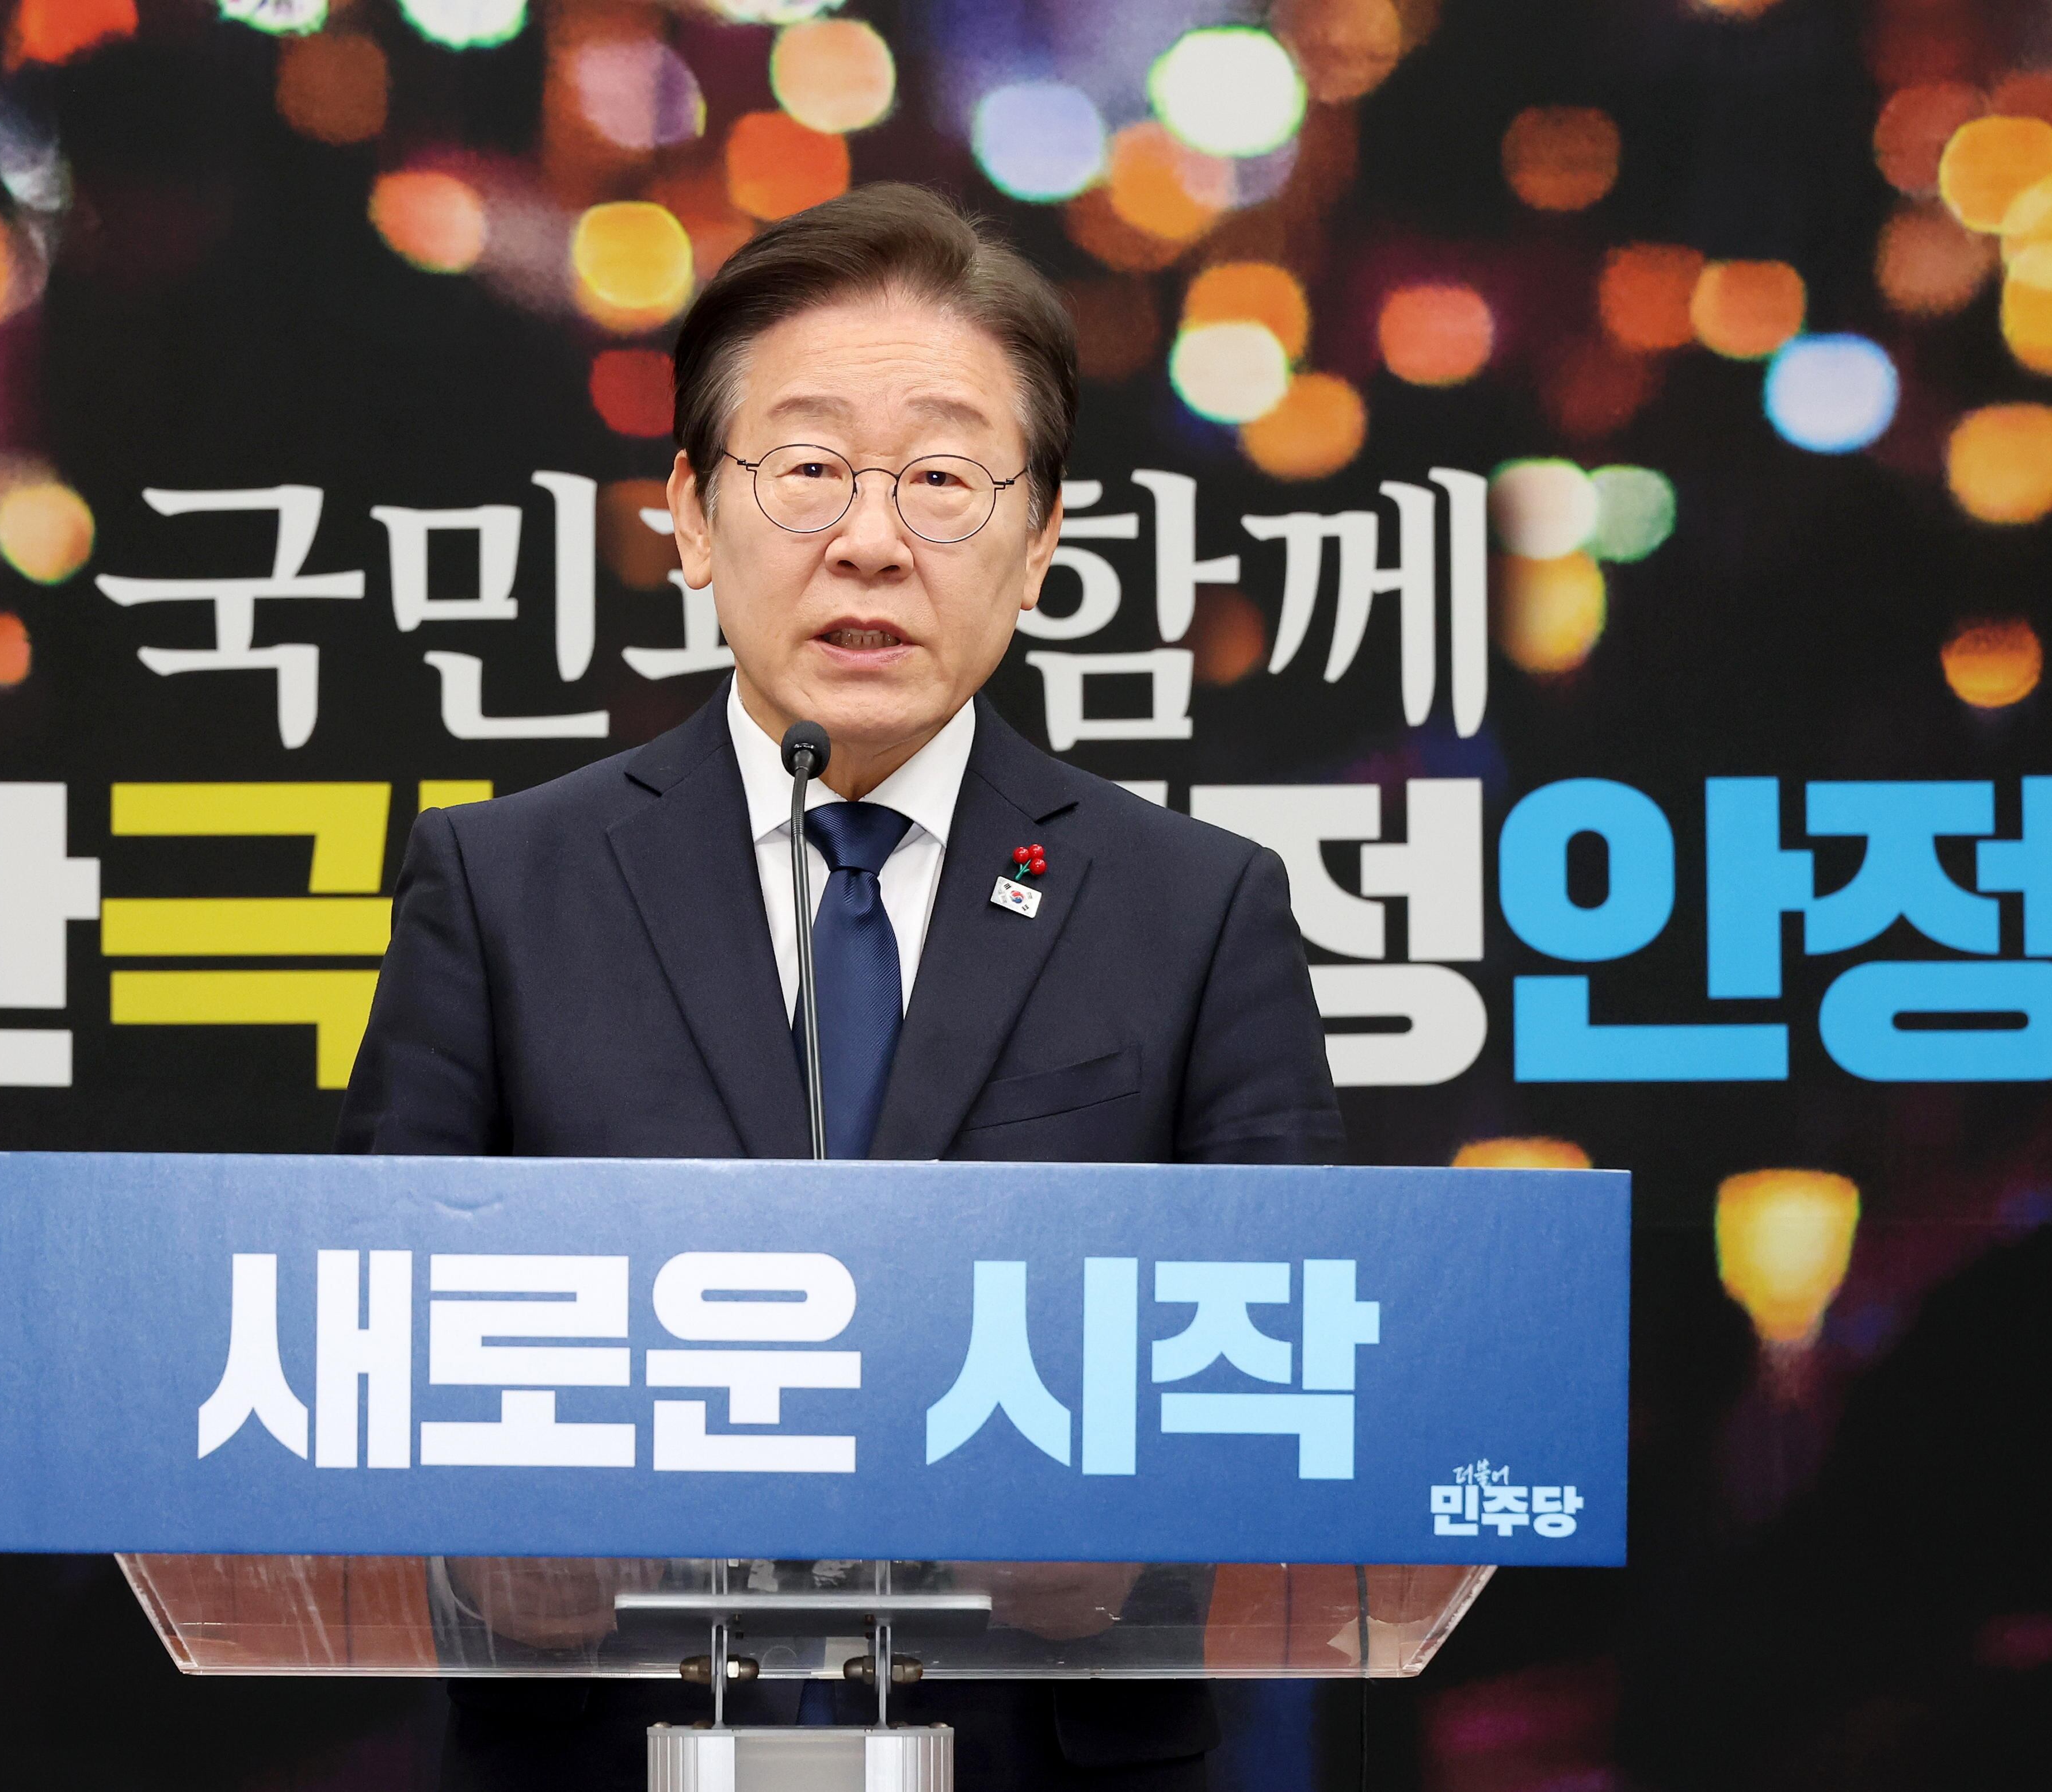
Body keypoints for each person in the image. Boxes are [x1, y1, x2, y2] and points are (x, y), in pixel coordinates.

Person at [339, 182, 1342, 1790]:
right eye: (806, 470)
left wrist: (1145, 1541)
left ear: (1041, 544)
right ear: (688, 511)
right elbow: (367, 1331)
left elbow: (1301, 1361)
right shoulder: (501, 890)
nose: (870, 537)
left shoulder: (1197, 911)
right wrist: (491, 1535)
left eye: (943, 479)